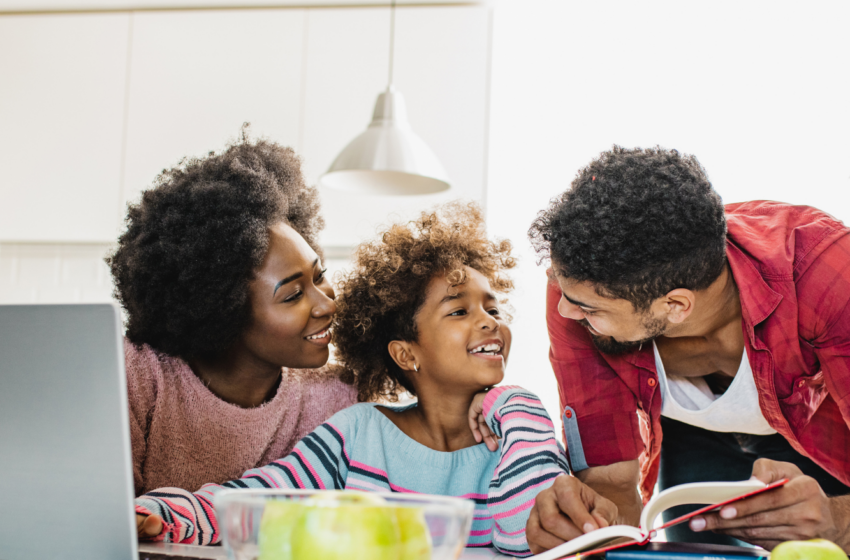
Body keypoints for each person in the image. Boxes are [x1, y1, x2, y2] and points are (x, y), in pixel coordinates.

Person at [134, 202, 568, 556]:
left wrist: (512, 403)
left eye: (493, 309)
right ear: (405, 352)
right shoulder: (358, 433)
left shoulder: (520, 431)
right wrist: (161, 512)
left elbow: (524, 537)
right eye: (459, 310)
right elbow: (260, 499)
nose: (490, 323)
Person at [524, 146, 850, 553]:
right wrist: (587, 528)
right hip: (690, 443)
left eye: (587, 308)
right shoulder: (582, 286)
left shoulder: (831, 276)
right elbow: (609, 485)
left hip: (821, 442)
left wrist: (838, 523)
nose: (563, 311)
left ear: (675, 306)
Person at [107, 131, 358, 496]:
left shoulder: (338, 397)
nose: (326, 304)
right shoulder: (136, 378)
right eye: (292, 295)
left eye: (319, 276)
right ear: (220, 309)